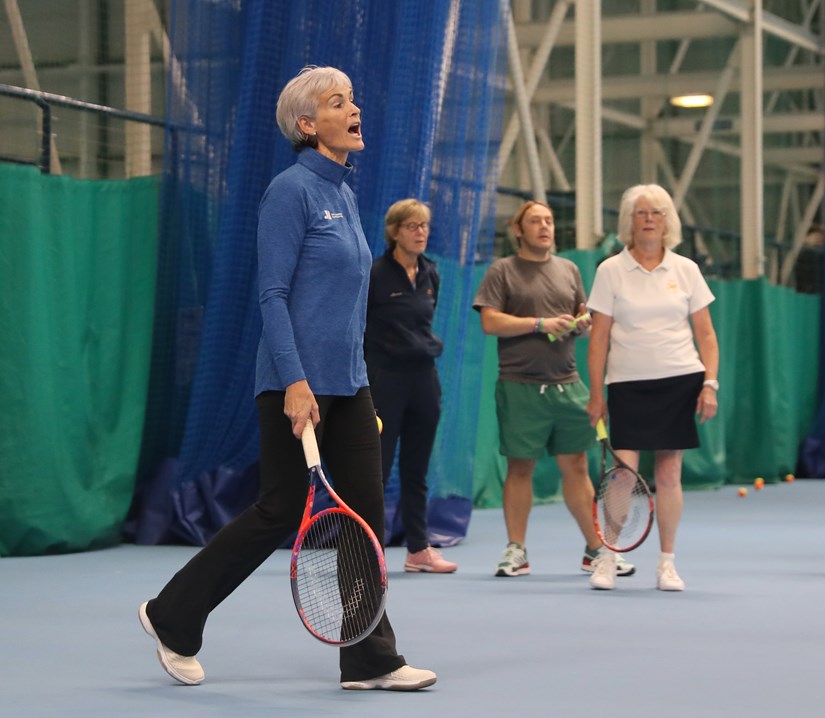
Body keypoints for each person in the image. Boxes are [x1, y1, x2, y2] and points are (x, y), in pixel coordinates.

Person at [137, 66, 435, 691]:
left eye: (353, 99)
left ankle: (369, 659)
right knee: (278, 510)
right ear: (307, 124)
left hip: (350, 388)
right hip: (292, 383)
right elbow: (272, 295)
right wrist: (296, 382)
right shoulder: (290, 191)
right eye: (337, 102)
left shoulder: (347, 194)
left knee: (363, 517)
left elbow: (347, 309)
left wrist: (361, 390)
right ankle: (172, 616)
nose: (354, 109)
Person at [472, 199, 635, 581]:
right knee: (520, 467)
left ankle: (596, 549)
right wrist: (539, 323)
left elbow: (586, 315)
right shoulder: (502, 271)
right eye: (535, 221)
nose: (544, 226)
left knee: (576, 467)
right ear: (518, 229)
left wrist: (580, 323)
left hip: (568, 385)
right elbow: (490, 322)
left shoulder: (569, 269)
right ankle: (516, 550)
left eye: (548, 220)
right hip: (519, 386)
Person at [585, 184, 719, 592]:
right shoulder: (610, 270)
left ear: (667, 222)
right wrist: (596, 394)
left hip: (680, 380)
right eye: (641, 212)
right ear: (629, 221)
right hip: (626, 385)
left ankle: (667, 563)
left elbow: (707, 336)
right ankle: (608, 556)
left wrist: (709, 384)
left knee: (669, 472)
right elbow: (598, 340)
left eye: (657, 212)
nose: (648, 218)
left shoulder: (686, 269)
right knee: (623, 475)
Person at [366, 199, 457, 573]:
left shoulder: (430, 273)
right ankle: (367, 551)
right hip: (385, 381)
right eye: (412, 226)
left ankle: (418, 550)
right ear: (395, 231)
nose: (420, 232)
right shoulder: (374, 273)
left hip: (424, 380)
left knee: (416, 469)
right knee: (378, 468)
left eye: (424, 226)